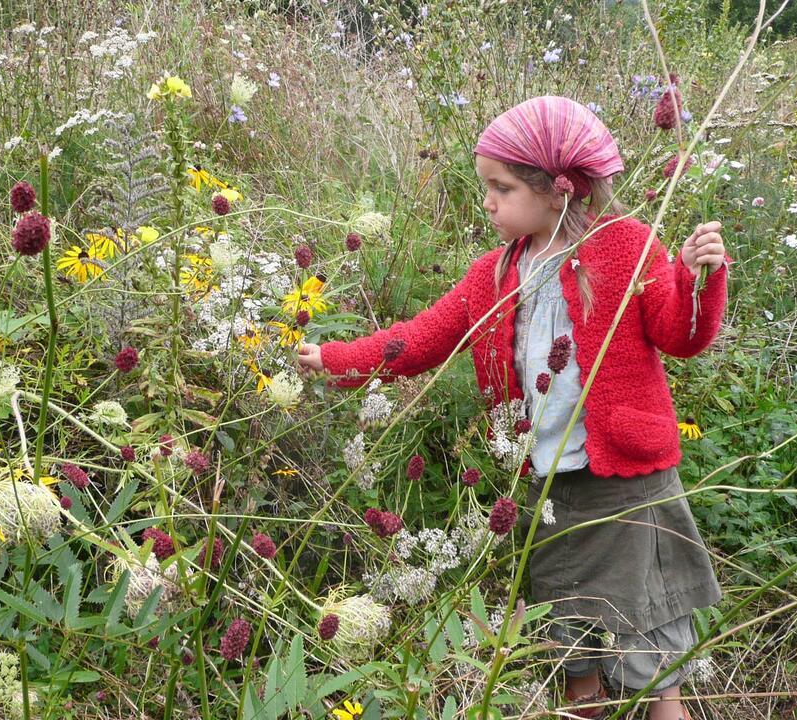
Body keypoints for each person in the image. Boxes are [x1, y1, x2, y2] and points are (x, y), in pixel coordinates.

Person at [296, 96, 728, 720]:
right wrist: (335, 359)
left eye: (501, 188)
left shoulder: (625, 247)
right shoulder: (493, 275)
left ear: (557, 189)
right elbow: (419, 340)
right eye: (486, 188)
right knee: (567, 649)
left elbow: (679, 335)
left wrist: (695, 278)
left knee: (651, 657)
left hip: (626, 485)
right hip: (545, 486)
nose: (489, 203)